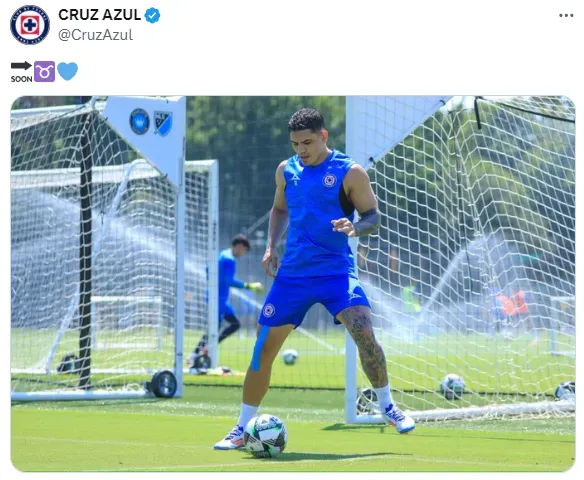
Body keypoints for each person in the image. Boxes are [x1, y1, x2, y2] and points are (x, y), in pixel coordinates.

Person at [214, 108, 415, 450]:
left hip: (336, 271)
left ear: (323, 136)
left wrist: (356, 227)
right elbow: (279, 209)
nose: (301, 150)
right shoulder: (286, 170)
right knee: (263, 350)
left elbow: (372, 215)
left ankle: (388, 406)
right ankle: (241, 428)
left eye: (307, 142)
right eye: (295, 144)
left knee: (364, 332)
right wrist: (271, 246)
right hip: (292, 275)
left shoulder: (349, 172)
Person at [189, 234, 264, 367]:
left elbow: (208, 269)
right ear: (240, 246)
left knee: (234, 324)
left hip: (219, 298)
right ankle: (195, 355)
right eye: (244, 251)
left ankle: (205, 350)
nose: (243, 254)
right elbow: (228, 281)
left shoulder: (222, 254)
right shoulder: (229, 260)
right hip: (217, 299)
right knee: (214, 328)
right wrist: (248, 286)